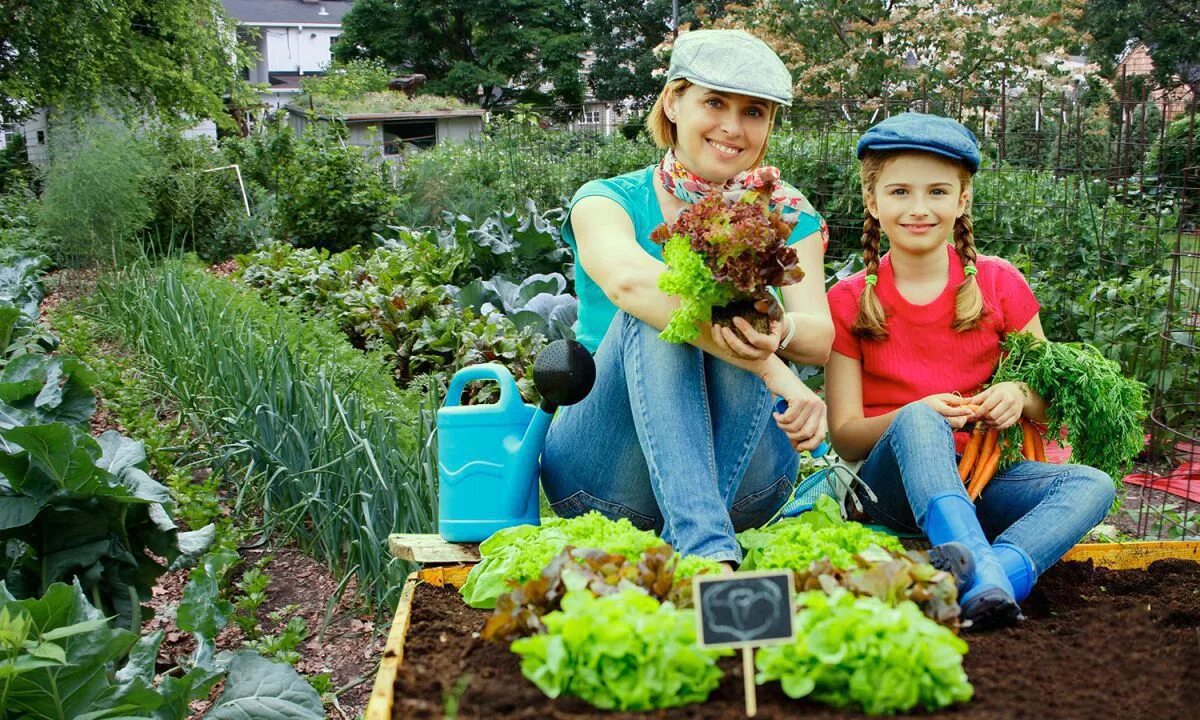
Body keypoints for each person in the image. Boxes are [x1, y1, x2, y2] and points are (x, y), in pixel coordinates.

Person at [540, 29, 833, 568]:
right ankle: (707, 554)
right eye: (714, 102)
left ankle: (701, 542)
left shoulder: (787, 213)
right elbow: (629, 285)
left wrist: (781, 331)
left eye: (754, 112)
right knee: (656, 307)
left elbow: (818, 336)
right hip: (606, 477)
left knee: (731, 302)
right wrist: (775, 369)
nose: (732, 127)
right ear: (673, 101)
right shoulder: (607, 200)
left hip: (743, 479)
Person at [824, 112, 1116, 628]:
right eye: (899, 193)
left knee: (1092, 484)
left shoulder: (1001, 284)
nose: (919, 208)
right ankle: (985, 569)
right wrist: (915, 414)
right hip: (892, 496)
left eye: (938, 192)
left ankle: (988, 575)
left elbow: (1048, 403)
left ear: (962, 201)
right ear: (873, 202)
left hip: (987, 480)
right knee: (917, 419)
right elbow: (846, 438)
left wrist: (1020, 395)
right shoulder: (847, 300)